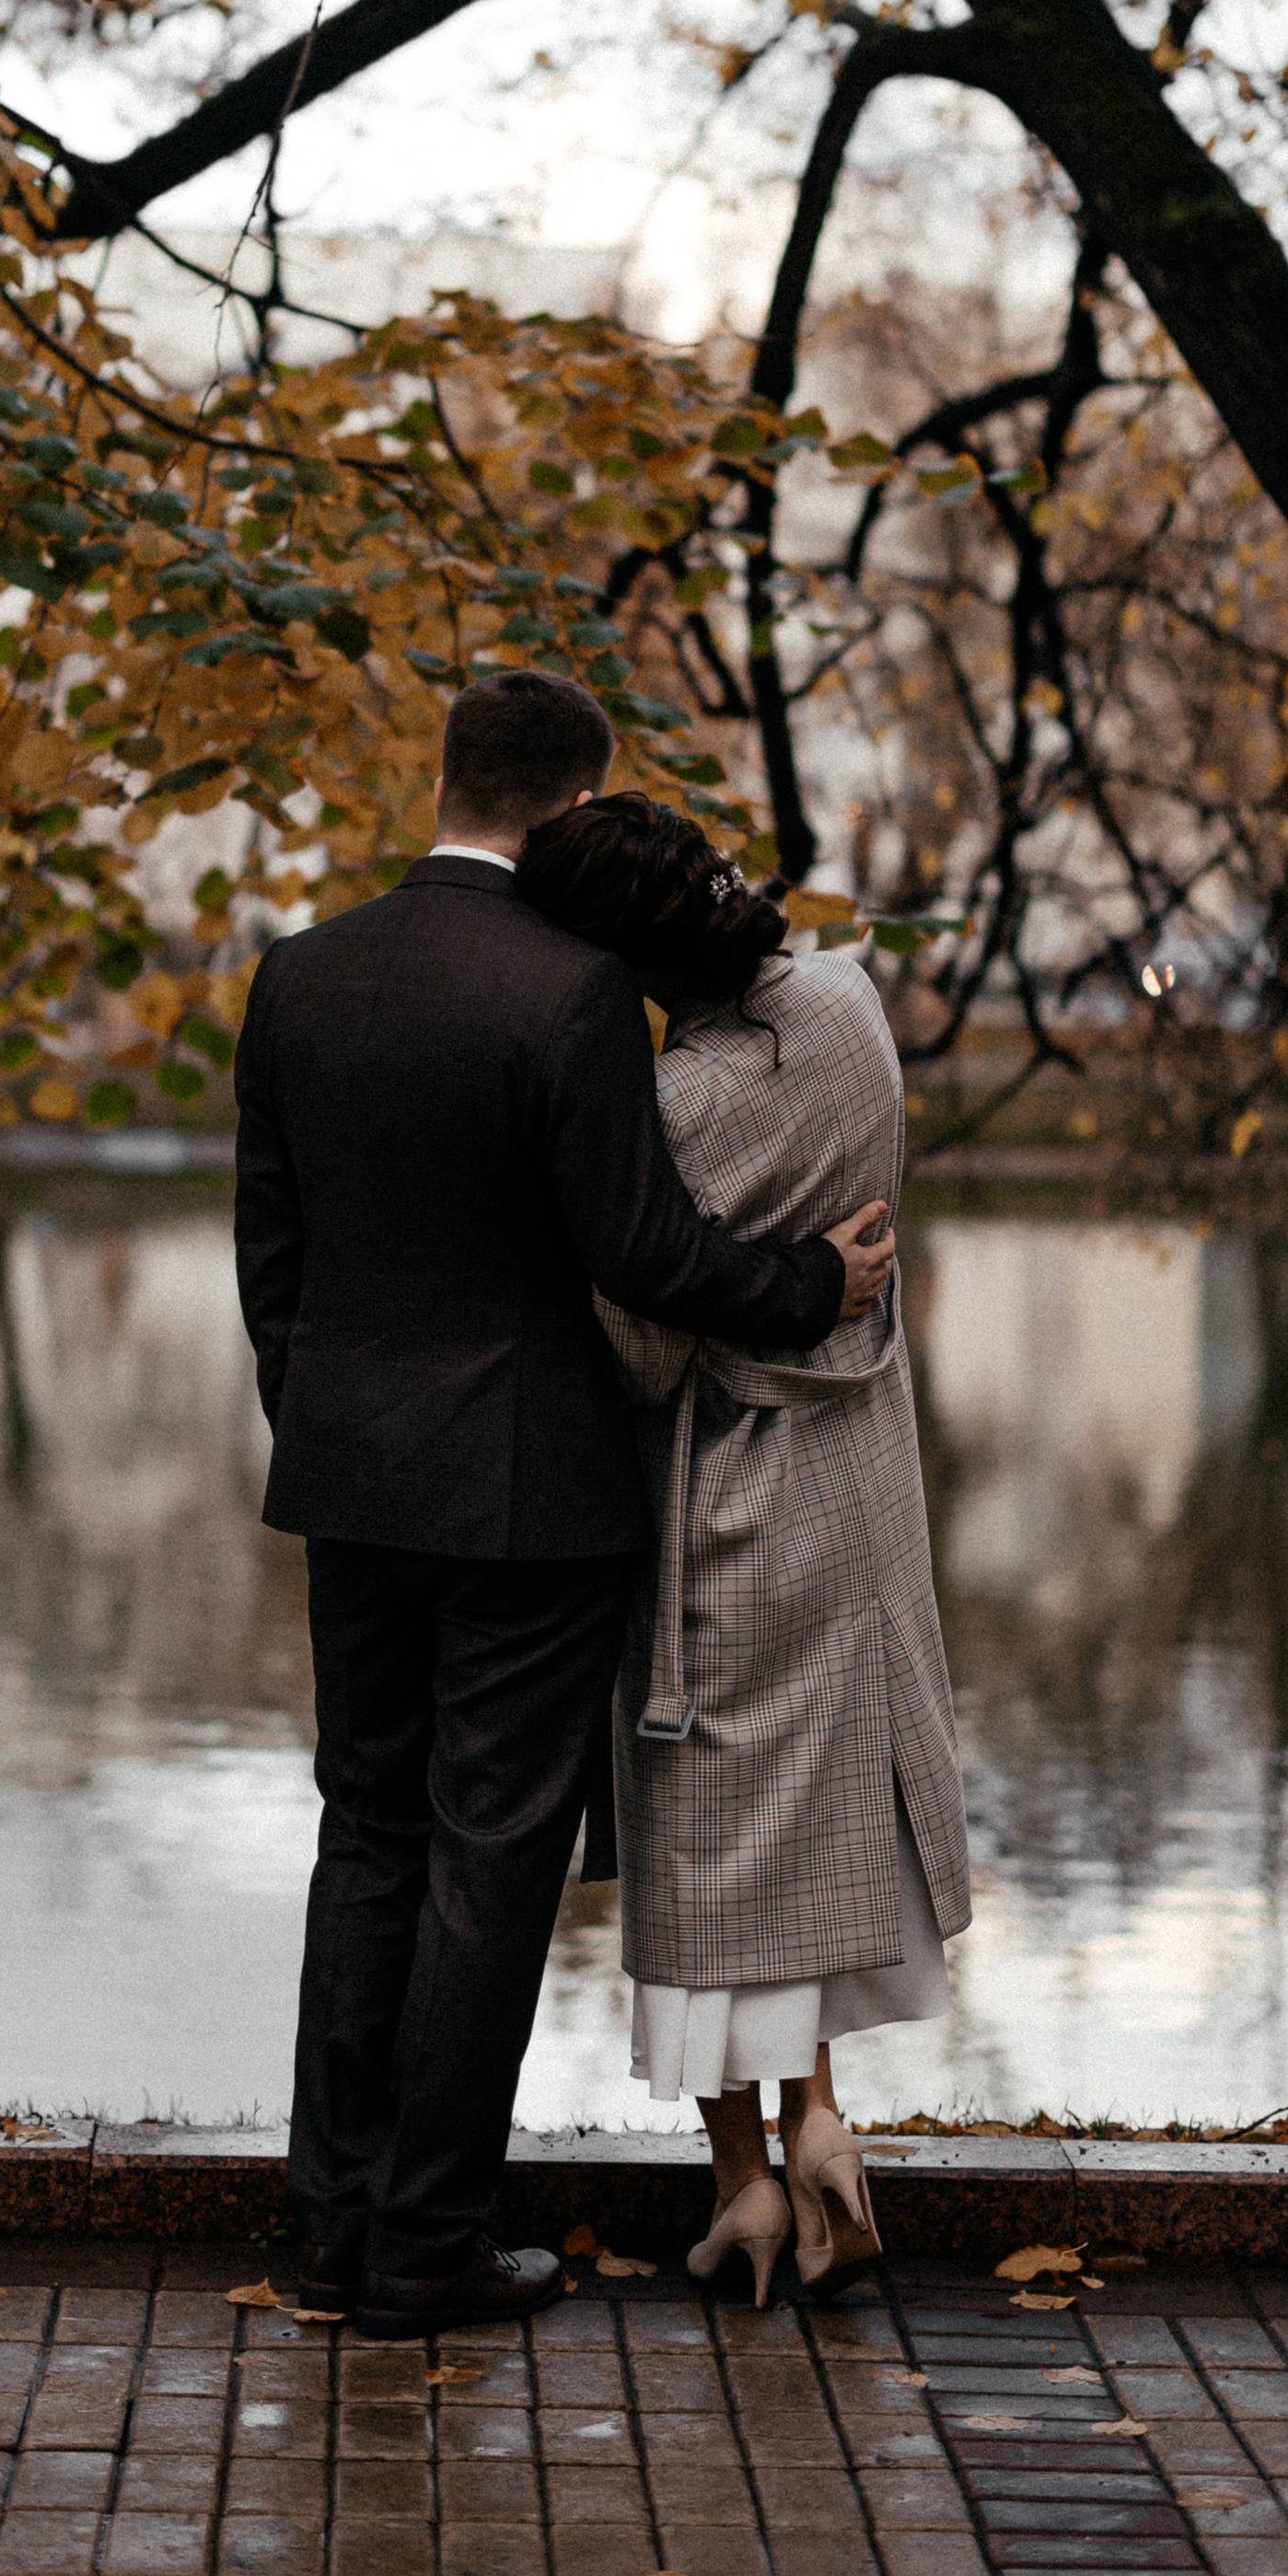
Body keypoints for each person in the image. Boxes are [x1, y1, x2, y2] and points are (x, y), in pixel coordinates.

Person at [233, 668, 897, 2342]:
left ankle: (332, 2227)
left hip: (350, 1478)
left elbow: (274, 1262)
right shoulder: (576, 987)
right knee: (491, 1861)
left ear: (450, 777)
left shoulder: (302, 974)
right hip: (532, 1496)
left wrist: (325, 1424)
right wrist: (812, 1280)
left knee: (367, 1836)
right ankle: (430, 2244)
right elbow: (644, 1255)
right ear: (577, 800)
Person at [512, 791, 971, 2307]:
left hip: (723, 1500)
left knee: (709, 1832)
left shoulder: (673, 1114)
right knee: (824, 1810)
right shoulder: (850, 1003)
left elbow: (644, 1360)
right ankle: (825, 2123)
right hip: (862, 1479)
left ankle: (743, 2186)